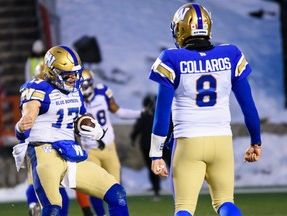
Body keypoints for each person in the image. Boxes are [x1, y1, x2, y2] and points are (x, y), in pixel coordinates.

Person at [148, 3, 262, 216]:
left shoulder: (171, 59)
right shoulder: (231, 54)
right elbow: (249, 108)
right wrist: (256, 141)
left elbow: (162, 113)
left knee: (184, 209)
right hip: (221, 141)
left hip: (188, 141)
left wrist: (156, 154)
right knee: (225, 203)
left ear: (181, 29)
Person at [12, 45, 129, 216]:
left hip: (69, 152)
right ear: (52, 72)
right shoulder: (37, 89)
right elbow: (29, 115)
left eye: (76, 73)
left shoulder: (75, 89)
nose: (73, 78)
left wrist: (87, 123)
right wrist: (22, 125)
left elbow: (80, 116)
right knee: (53, 208)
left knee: (117, 194)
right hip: (45, 153)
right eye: (68, 74)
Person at [75, 68, 142, 216]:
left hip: (108, 148)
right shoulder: (76, 99)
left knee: (117, 189)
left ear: (91, 84)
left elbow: (119, 111)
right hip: (90, 150)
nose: (82, 89)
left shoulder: (102, 93)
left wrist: (140, 113)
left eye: (84, 85)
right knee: (94, 186)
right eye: (80, 85)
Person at [24, 61, 70, 216]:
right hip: (50, 144)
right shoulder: (51, 93)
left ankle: (33, 204)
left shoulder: (33, 93)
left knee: (37, 183)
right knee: (57, 186)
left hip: (40, 144)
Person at [130, 93, 171, 201]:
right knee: (160, 167)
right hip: (156, 145)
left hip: (155, 145)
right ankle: (159, 190)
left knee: (161, 167)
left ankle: (158, 191)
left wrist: (133, 139)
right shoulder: (155, 114)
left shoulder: (151, 115)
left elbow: (136, 130)